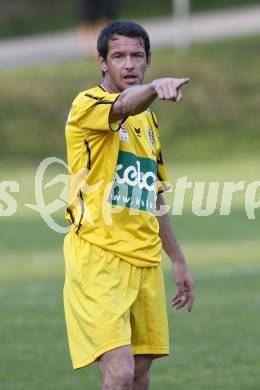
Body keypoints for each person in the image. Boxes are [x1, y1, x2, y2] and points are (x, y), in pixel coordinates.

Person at [64, 20, 195, 390]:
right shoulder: (88, 103)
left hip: (145, 259)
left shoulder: (149, 121)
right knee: (119, 373)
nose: (129, 65)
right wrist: (154, 88)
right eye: (118, 56)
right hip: (98, 257)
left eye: (137, 56)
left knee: (139, 373)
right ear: (102, 62)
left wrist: (179, 259)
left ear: (148, 59)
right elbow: (122, 104)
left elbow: (153, 194)